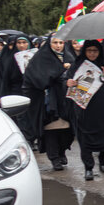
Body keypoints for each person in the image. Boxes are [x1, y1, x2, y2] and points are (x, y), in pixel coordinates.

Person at [64, 40, 104, 181]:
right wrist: (68, 82)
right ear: (84, 51)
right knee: (85, 137)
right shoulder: (77, 65)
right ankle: (88, 167)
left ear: (100, 52)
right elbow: (66, 81)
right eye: (89, 50)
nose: (92, 53)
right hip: (85, 109)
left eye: (95, 51)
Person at [22, 35, 74, 170]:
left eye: (61, 42)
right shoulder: (40, 59)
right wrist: (61, 70)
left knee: (67, 131)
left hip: (66, 101)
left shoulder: (69, 57)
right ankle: (54, 158)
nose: (58, 45)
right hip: (48, 102)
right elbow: (38, 80)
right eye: (55, 42)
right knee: (51, 130)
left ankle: (62, 152)